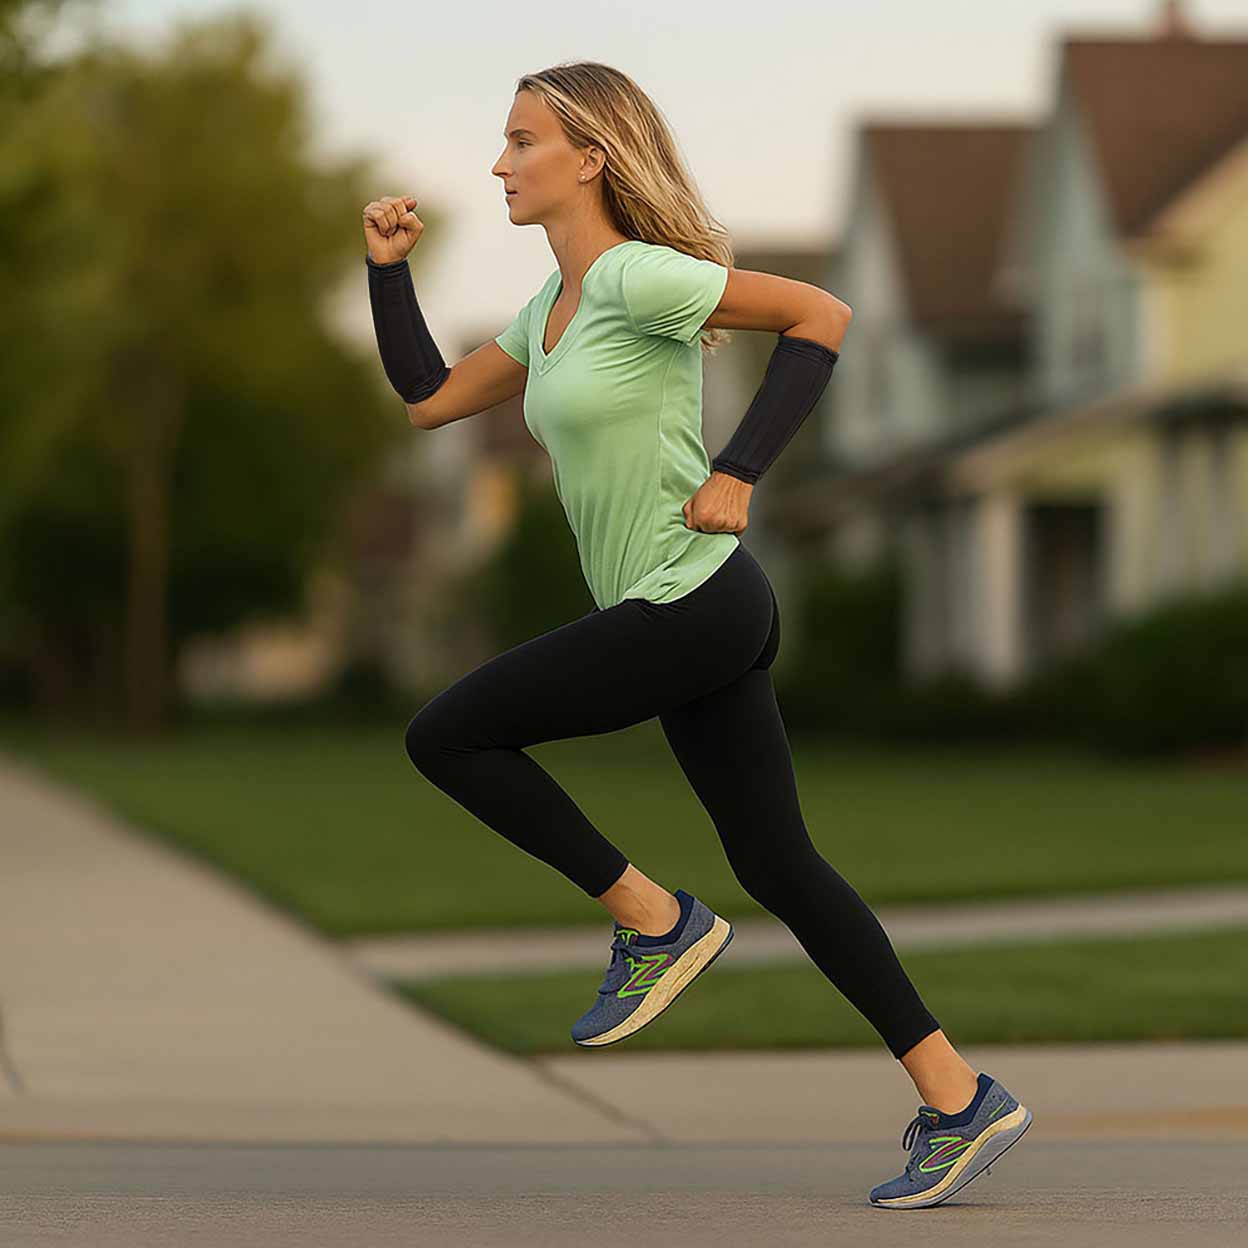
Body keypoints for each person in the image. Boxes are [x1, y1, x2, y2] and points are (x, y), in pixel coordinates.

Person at [362, 61, 1031, 1209]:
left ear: (593, 157)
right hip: (689, 609)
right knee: (780, 864)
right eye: (503, 141)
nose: (499, 163)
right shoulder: (551, 312)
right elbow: (427, 398)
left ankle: (656, 922)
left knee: (449, 735)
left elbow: (820, 317)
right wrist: (389, 273)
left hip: (693, 598)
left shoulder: (635, 278)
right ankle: (960, 1096)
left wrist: (739, 469)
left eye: (523, 141)